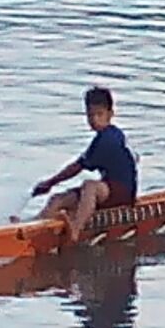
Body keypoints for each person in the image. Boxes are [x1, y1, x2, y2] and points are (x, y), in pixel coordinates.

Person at [32, 87, 138, 242]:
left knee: (90, 186)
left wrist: (50, 182)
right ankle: (33, 226)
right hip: (107, 188)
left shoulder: (108, 139)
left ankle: (76, 229)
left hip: (122, 191)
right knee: (58, 199)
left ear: (110, 114)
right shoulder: (107, 136)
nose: (94, 120)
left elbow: (77, 167)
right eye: (90, 115)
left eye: (99, 114)